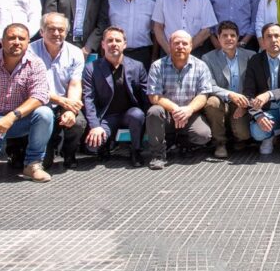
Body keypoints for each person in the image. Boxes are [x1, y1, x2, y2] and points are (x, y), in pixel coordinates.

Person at [0, 23, 53, 183]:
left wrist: (11, 117)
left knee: (45, 114)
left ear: (28, 42)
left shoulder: (36, 63)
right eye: (11, 38)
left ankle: (33, 164)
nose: (16, 42)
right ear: (2, 41)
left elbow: (39, 96)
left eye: (21, 38)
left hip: (19, 119)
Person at [145, 30, 215, 169]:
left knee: (204, 135)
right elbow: (154, 96)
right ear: (170, 45)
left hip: (190, 113)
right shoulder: (157, 66)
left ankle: (184, 143)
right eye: (176, 43)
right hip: (166, 114)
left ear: (191, 46)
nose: (180, 46)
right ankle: (158, 155)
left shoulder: (201, 66)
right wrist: (175, 109)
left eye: (184, 43)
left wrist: (188, 110)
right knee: (154, 111)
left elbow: (203, 95)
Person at [81, 26, 148, 167]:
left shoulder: (137, 66)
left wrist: (148, 123)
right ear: (103, 44)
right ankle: (105, 145)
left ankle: (136, 150)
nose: (114, 44)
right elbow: (88, 99)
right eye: (109, 40)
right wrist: (94, 126)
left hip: (129, 114)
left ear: (125, 44)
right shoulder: (91, 68)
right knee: (93, 145)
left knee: (137, 115)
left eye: (118, 40)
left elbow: (145, 97)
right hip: (106, 116)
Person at [30, 13, 87, 171]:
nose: (56, 33)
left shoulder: (75, 52)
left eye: (61, 30)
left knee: (78, 122)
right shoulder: (30, 51)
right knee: (45, 164)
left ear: (66, 32)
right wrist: (62, 101)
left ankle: (69, 153)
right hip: (39, 105)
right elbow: (32, 88)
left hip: (64, 102)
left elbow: (75, 84)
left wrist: (70, 109)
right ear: (41, 31)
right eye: (51, 29)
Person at [242, 23, 280, 160]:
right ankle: (270, 136)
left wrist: (269, 94)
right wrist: (258, 116)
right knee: (257, 132)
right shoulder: (255, 61)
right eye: (269, 36)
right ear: (263, 41)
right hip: (267, 111)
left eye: (276, 36)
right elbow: (248, 93)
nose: (273, 40)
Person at [201, 20, 254, 159]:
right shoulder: (208, 58)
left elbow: (254, 84)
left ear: (238, 38)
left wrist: (245, 103)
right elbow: (209, 85)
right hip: (221, 101)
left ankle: (239, 139)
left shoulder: (250, 56)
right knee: (211, 102)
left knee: (244, 134)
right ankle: (220, 143)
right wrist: (230, 95)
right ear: (218, 38)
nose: (229, 38)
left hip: (242, 102)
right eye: (224, 35)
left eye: (232, 35)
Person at [152, 0, 217, 55]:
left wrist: (186, 49)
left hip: (195, 51)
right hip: (168, 50)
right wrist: (169, 51)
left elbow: (206, 30)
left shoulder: (203, 0)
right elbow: (158, 27)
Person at [110, 0, 156, 70]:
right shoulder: (111, 4)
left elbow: (155, 33)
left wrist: (154, 57)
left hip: (142, 54)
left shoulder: (151, 5)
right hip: (117, 52)